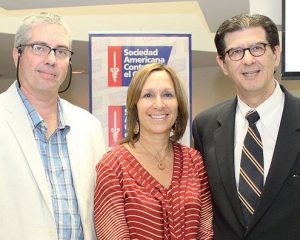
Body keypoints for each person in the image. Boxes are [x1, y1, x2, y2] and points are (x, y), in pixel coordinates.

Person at [192, 13, 300, 240]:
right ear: (223, 64)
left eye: (258, 48)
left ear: (277, 54)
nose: (248, 60)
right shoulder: (205, 126)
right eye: (236, 52)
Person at [0, 12, 106, 240]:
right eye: (39, 47)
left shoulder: (89, 126)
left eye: (61, 51)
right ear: (17, 55)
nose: (51, 59)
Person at [94, 63, 213, 239]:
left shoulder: (194, 160)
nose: (159, 104)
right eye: (148, 95)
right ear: (135, 105)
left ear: (178, 105)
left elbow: (206, 232)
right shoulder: (113, 166)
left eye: (167, 94)